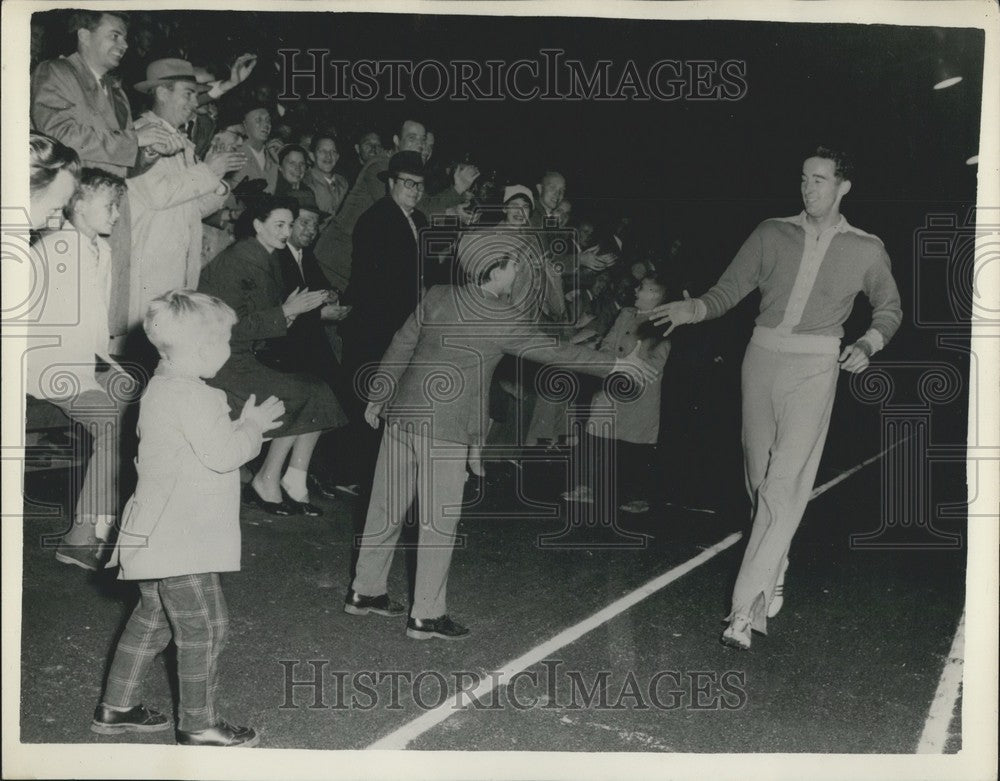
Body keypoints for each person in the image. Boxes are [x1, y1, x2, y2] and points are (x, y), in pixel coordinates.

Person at [650, 147, 903, 650]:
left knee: (783, 485)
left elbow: (889, 308)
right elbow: (729, 290)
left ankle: (745, 612)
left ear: (843, 187)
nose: (809, 188)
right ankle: (776, 563)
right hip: (761, 360)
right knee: (758, 482)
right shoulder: (771, 232)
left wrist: (866, 344)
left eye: (820, 179)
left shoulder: (867, 248)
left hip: (815, 366)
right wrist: (695, 308)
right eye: (804, 179)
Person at [348, 233, 660, 639]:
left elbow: (400, 345)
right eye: (515, 266)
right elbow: (557, 353)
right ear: (496, 270)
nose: (520, 273)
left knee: (384, 508)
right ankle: (426, 615)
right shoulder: (503, 317)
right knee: (437, 523)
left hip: (403, 416)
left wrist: (377, 396)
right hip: (445, 429)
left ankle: (364, 592)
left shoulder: (439, 294)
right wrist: (616, 364)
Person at [93, 290, 283, 747]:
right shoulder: (199, 396)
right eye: (226, 342)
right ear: (202, 350)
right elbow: (223, 455)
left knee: (153, 618)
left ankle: (116, 706)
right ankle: (199, 724)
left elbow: (199, 450)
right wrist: (253, 426)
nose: (229, 350)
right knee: (206, 627)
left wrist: (240, 425)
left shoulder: (160, 389)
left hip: (152, 530)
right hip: (183, 538)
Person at [31, 11, 184, 345]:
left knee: (101, 316)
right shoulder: (55, 72)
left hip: (112, 215)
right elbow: (58, 133)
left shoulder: (117, 92)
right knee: (66, 316)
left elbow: (126, 163)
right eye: (115, 35)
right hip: (73, 210)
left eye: (126, 37)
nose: (125, 44)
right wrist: (135, 141)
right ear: (84, 35)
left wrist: (150, 152)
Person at [198, 195, 347, 516]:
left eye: (289, 225)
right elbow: (230, 327)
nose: (286, 232)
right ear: (257, 225)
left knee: (317, 389)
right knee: (307, 392)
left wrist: (288, 314)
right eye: (278, 225)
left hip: (245, 357)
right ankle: (268, 479)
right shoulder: (238, 261)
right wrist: (285, 312)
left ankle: (292, 478)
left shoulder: (266, 257)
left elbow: (264, 320)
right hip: (223, 363)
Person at [27, 160, 134, 570]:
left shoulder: (100, 250)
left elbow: (92, 326)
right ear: (80, 202)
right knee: (108, 419)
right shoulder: (52, 248)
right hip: (48, 366)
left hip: (82, 365)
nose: (117, 214)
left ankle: (109, 523)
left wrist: (109, 368)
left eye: (119, 206)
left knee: (138, 400)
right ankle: (82, 536)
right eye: (110, 204)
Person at [127, 58, 246, 330]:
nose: (195, 103)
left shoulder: (182, 141)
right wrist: (208, 171)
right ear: (162, 92)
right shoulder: (142, 133)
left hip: (178, 260)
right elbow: (158, 196)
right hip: (150, 259)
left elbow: (195, 208)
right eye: (188, 94)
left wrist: (220, 179)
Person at [561, 273, 673, 514]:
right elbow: (607, 344)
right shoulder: (626, 314)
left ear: (655, 295)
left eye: (642, 288)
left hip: (641, 392)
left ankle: (636, 495)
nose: (635, 291)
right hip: (611, 383)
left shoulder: (666, 321)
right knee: (595, 435)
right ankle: (587, 487)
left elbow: (658, 360)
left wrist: (636, 371)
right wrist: (613, 365)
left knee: (635, 445)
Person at [312, 118, 425, 290]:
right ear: (396, 141)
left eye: (423, 140)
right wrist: (455, 192)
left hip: (352, 263)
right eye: (412, 138)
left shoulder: (409, 175)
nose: (420, 145)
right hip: (333, 261)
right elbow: (415, 209)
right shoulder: (380, 166)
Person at [306, 134, 350, 217]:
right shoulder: (306, 182)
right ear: (312, 156)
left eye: (333, 152)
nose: (328, 156)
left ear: (337, 157)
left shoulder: (343, 182)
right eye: (322, 151)